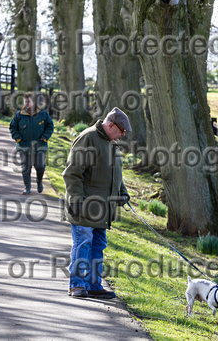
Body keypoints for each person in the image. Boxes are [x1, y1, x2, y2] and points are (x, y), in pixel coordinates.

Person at [62, 107, 131, 299]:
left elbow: (115, 174)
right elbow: (72, 173)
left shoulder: (110, 142)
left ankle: (93, 285)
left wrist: (122, 193)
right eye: (121, 131)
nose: (123, 135)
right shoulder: (88, 138)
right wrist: (76, 200)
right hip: (84, 206)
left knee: (98, 245)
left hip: (103, 208)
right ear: (110, 125)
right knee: (83, 243)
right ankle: (77, 285)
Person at [9, 92, 54, 195]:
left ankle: (39, 181)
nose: (26, 104)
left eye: (28, 102)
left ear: (34, 102)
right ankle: (27, 187)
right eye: (25, 102)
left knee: (40, 166)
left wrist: (45, 137)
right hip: (23, 146)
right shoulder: (19, 115)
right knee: (26, 167)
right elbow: (13, 127)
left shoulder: (43, 114)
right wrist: (17, 138)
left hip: (40, 145)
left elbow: (50, 126)